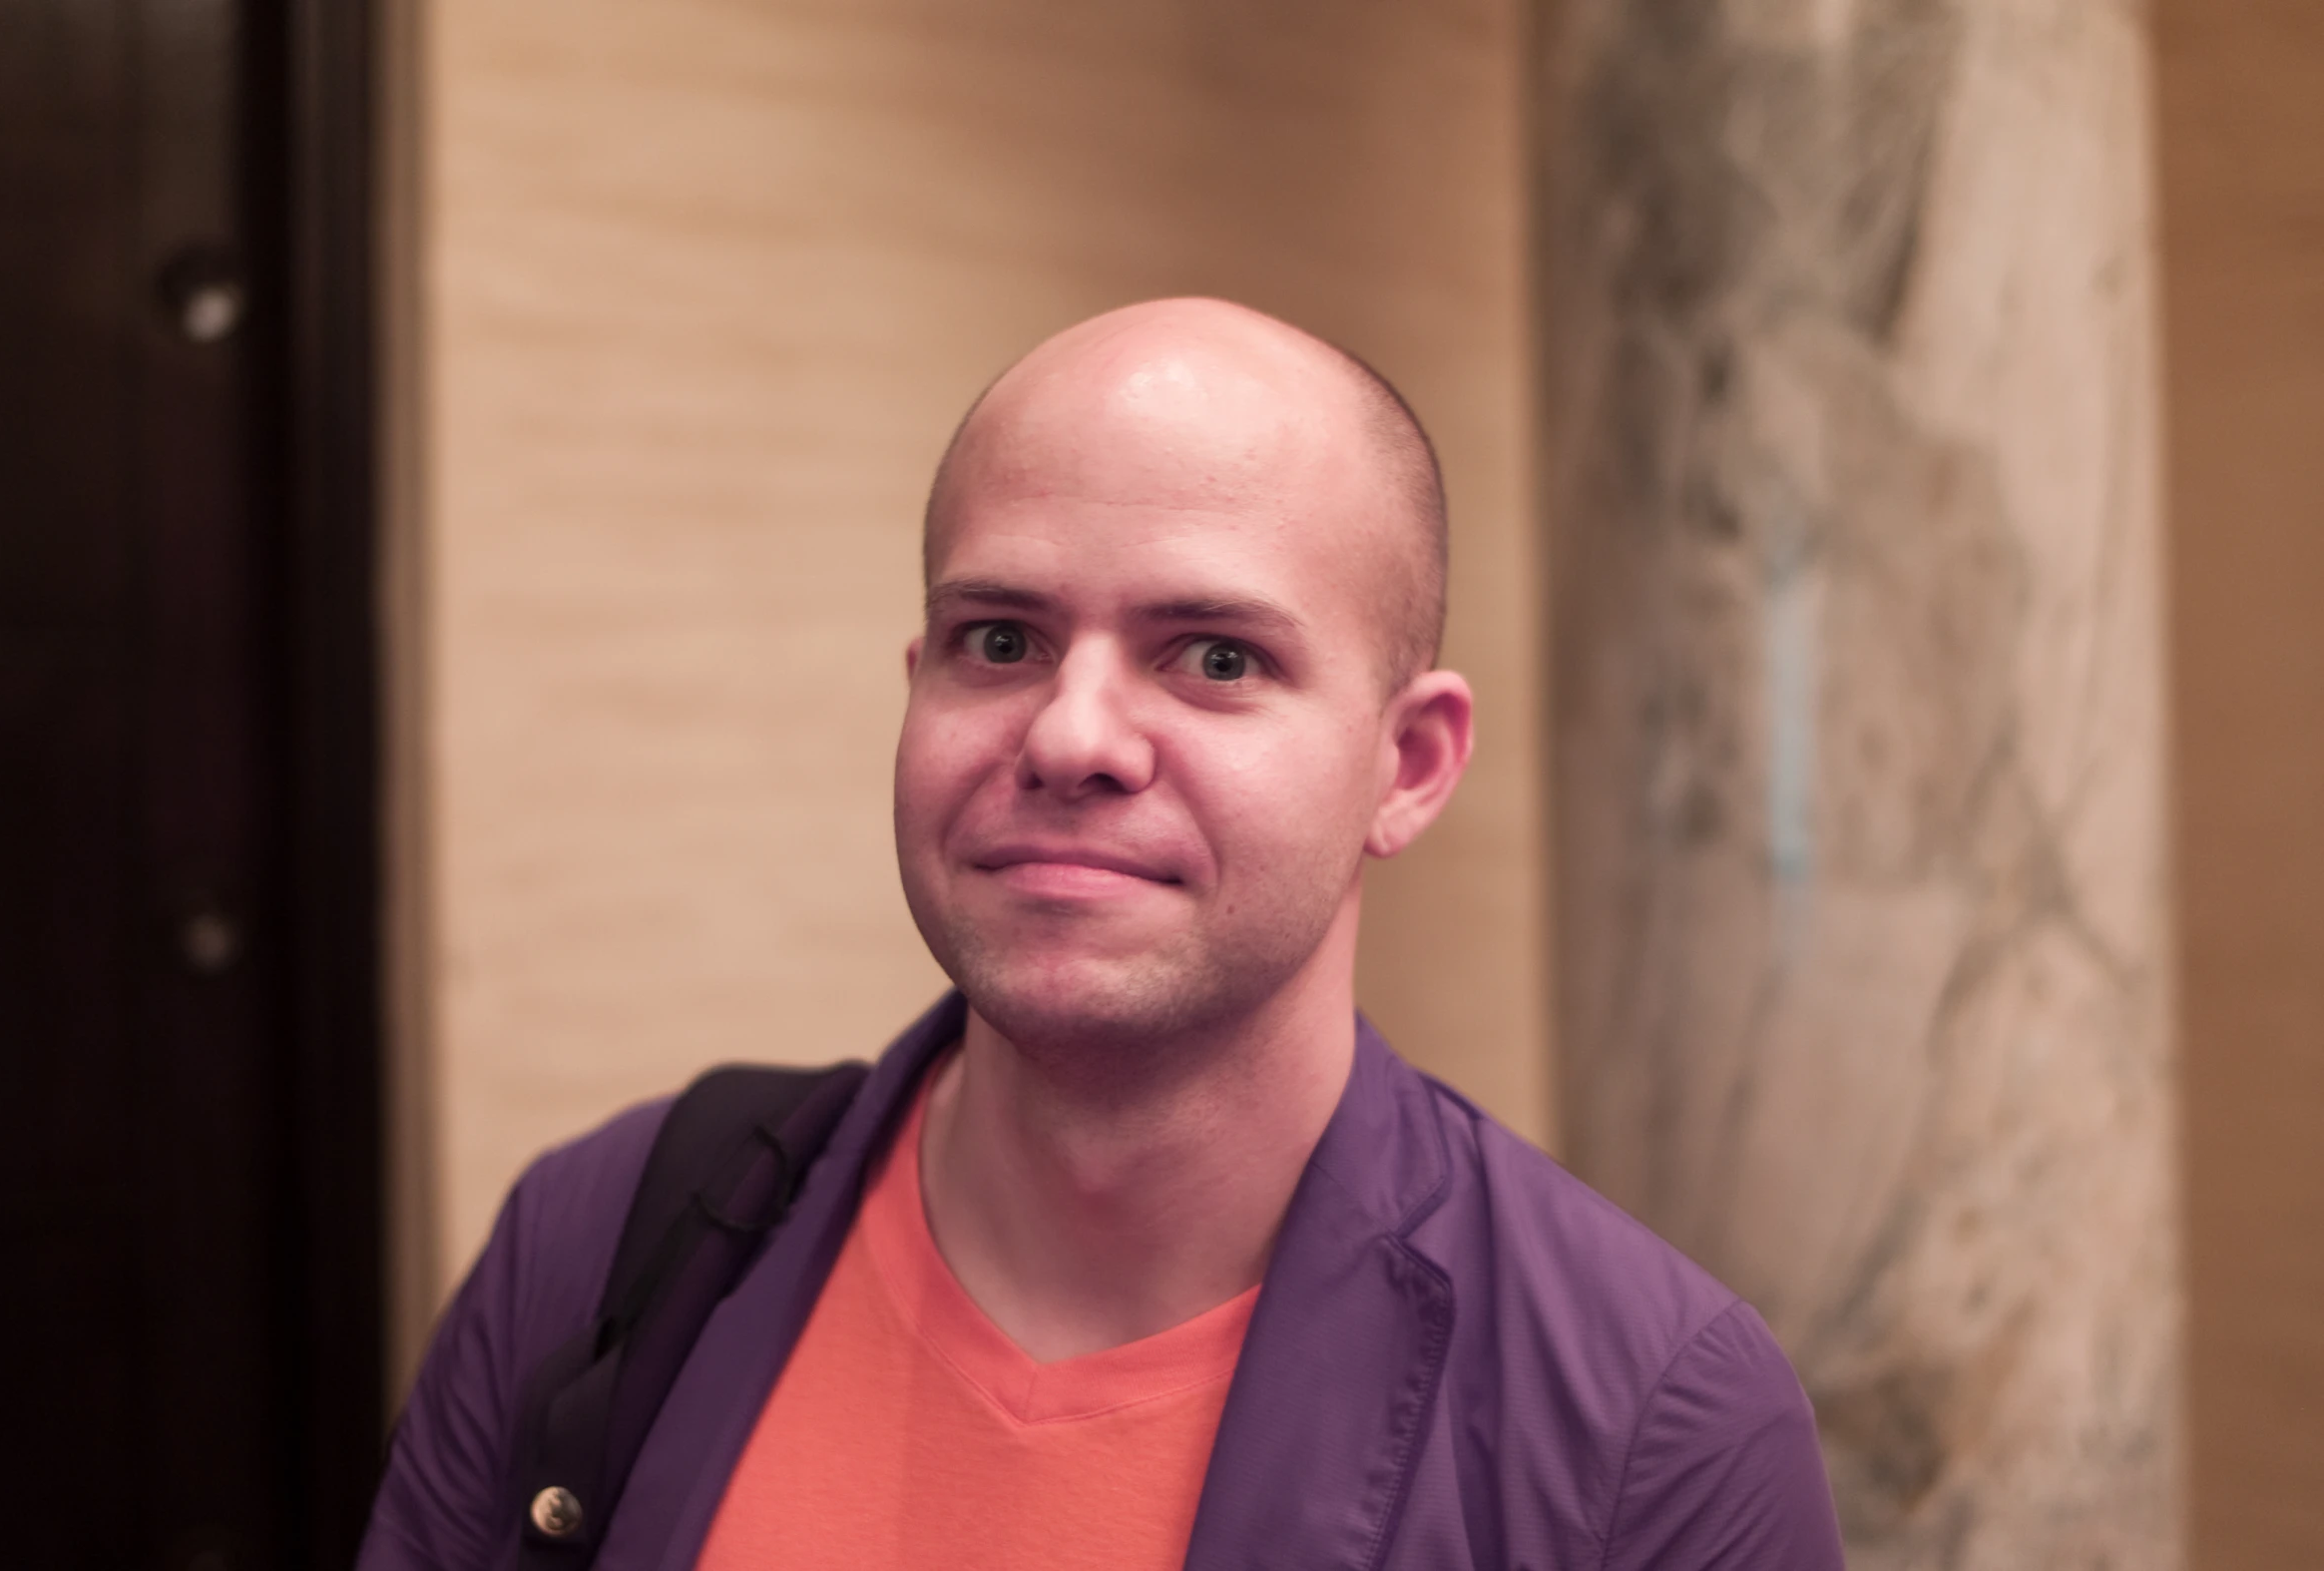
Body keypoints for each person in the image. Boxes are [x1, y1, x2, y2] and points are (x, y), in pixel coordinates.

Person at [361, 298, 1846, 1570]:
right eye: (998, 641)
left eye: (1215, 657)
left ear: (1408, 765)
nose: (1072, 734)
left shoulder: (1653, 1427)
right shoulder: (609, 1238)